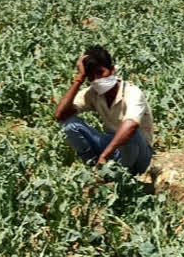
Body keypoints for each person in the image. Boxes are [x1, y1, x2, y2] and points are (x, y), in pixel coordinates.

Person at [54, 45, 154, 176]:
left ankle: (122, 177)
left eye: (100, 73)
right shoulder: (93, 94)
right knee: (69, 124)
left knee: (130, 133)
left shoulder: (132, 92)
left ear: (112, 70)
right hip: (111, 147)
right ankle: (95, 170)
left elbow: (131, 126)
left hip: (139, 154)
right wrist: (79, 78)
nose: (97, 80)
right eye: (91, 77)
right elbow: (60, 115)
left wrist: (105, 155)